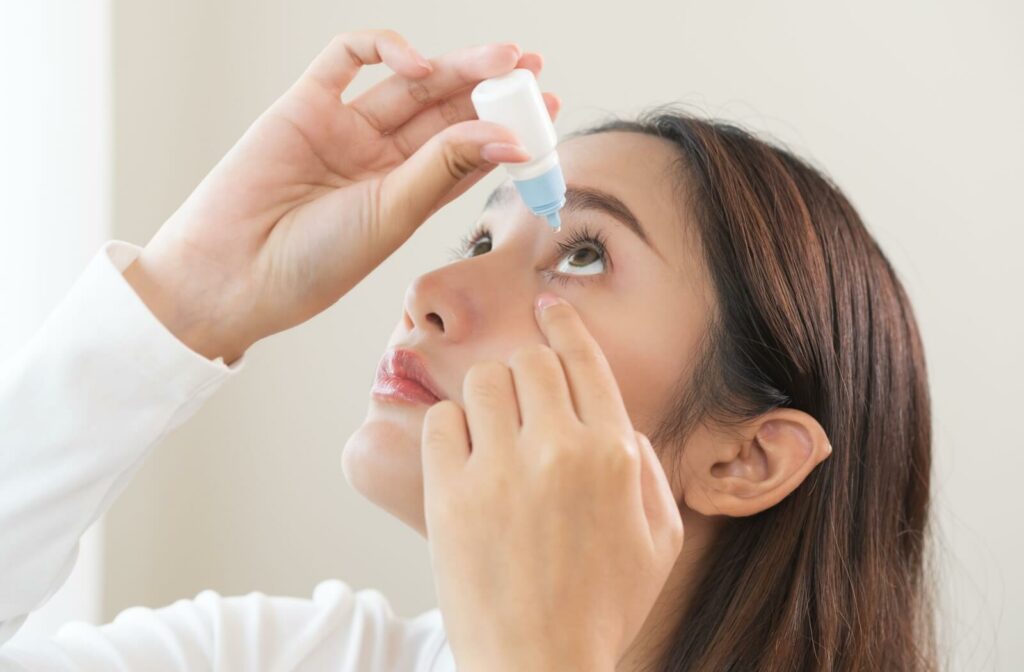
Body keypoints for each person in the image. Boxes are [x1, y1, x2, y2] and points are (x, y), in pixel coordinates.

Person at [0, 26, 936, 672]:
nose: (428, 295)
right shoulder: (283, 654)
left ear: (745, 456)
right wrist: (188, 298)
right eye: (479, 243)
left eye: (581, 254)